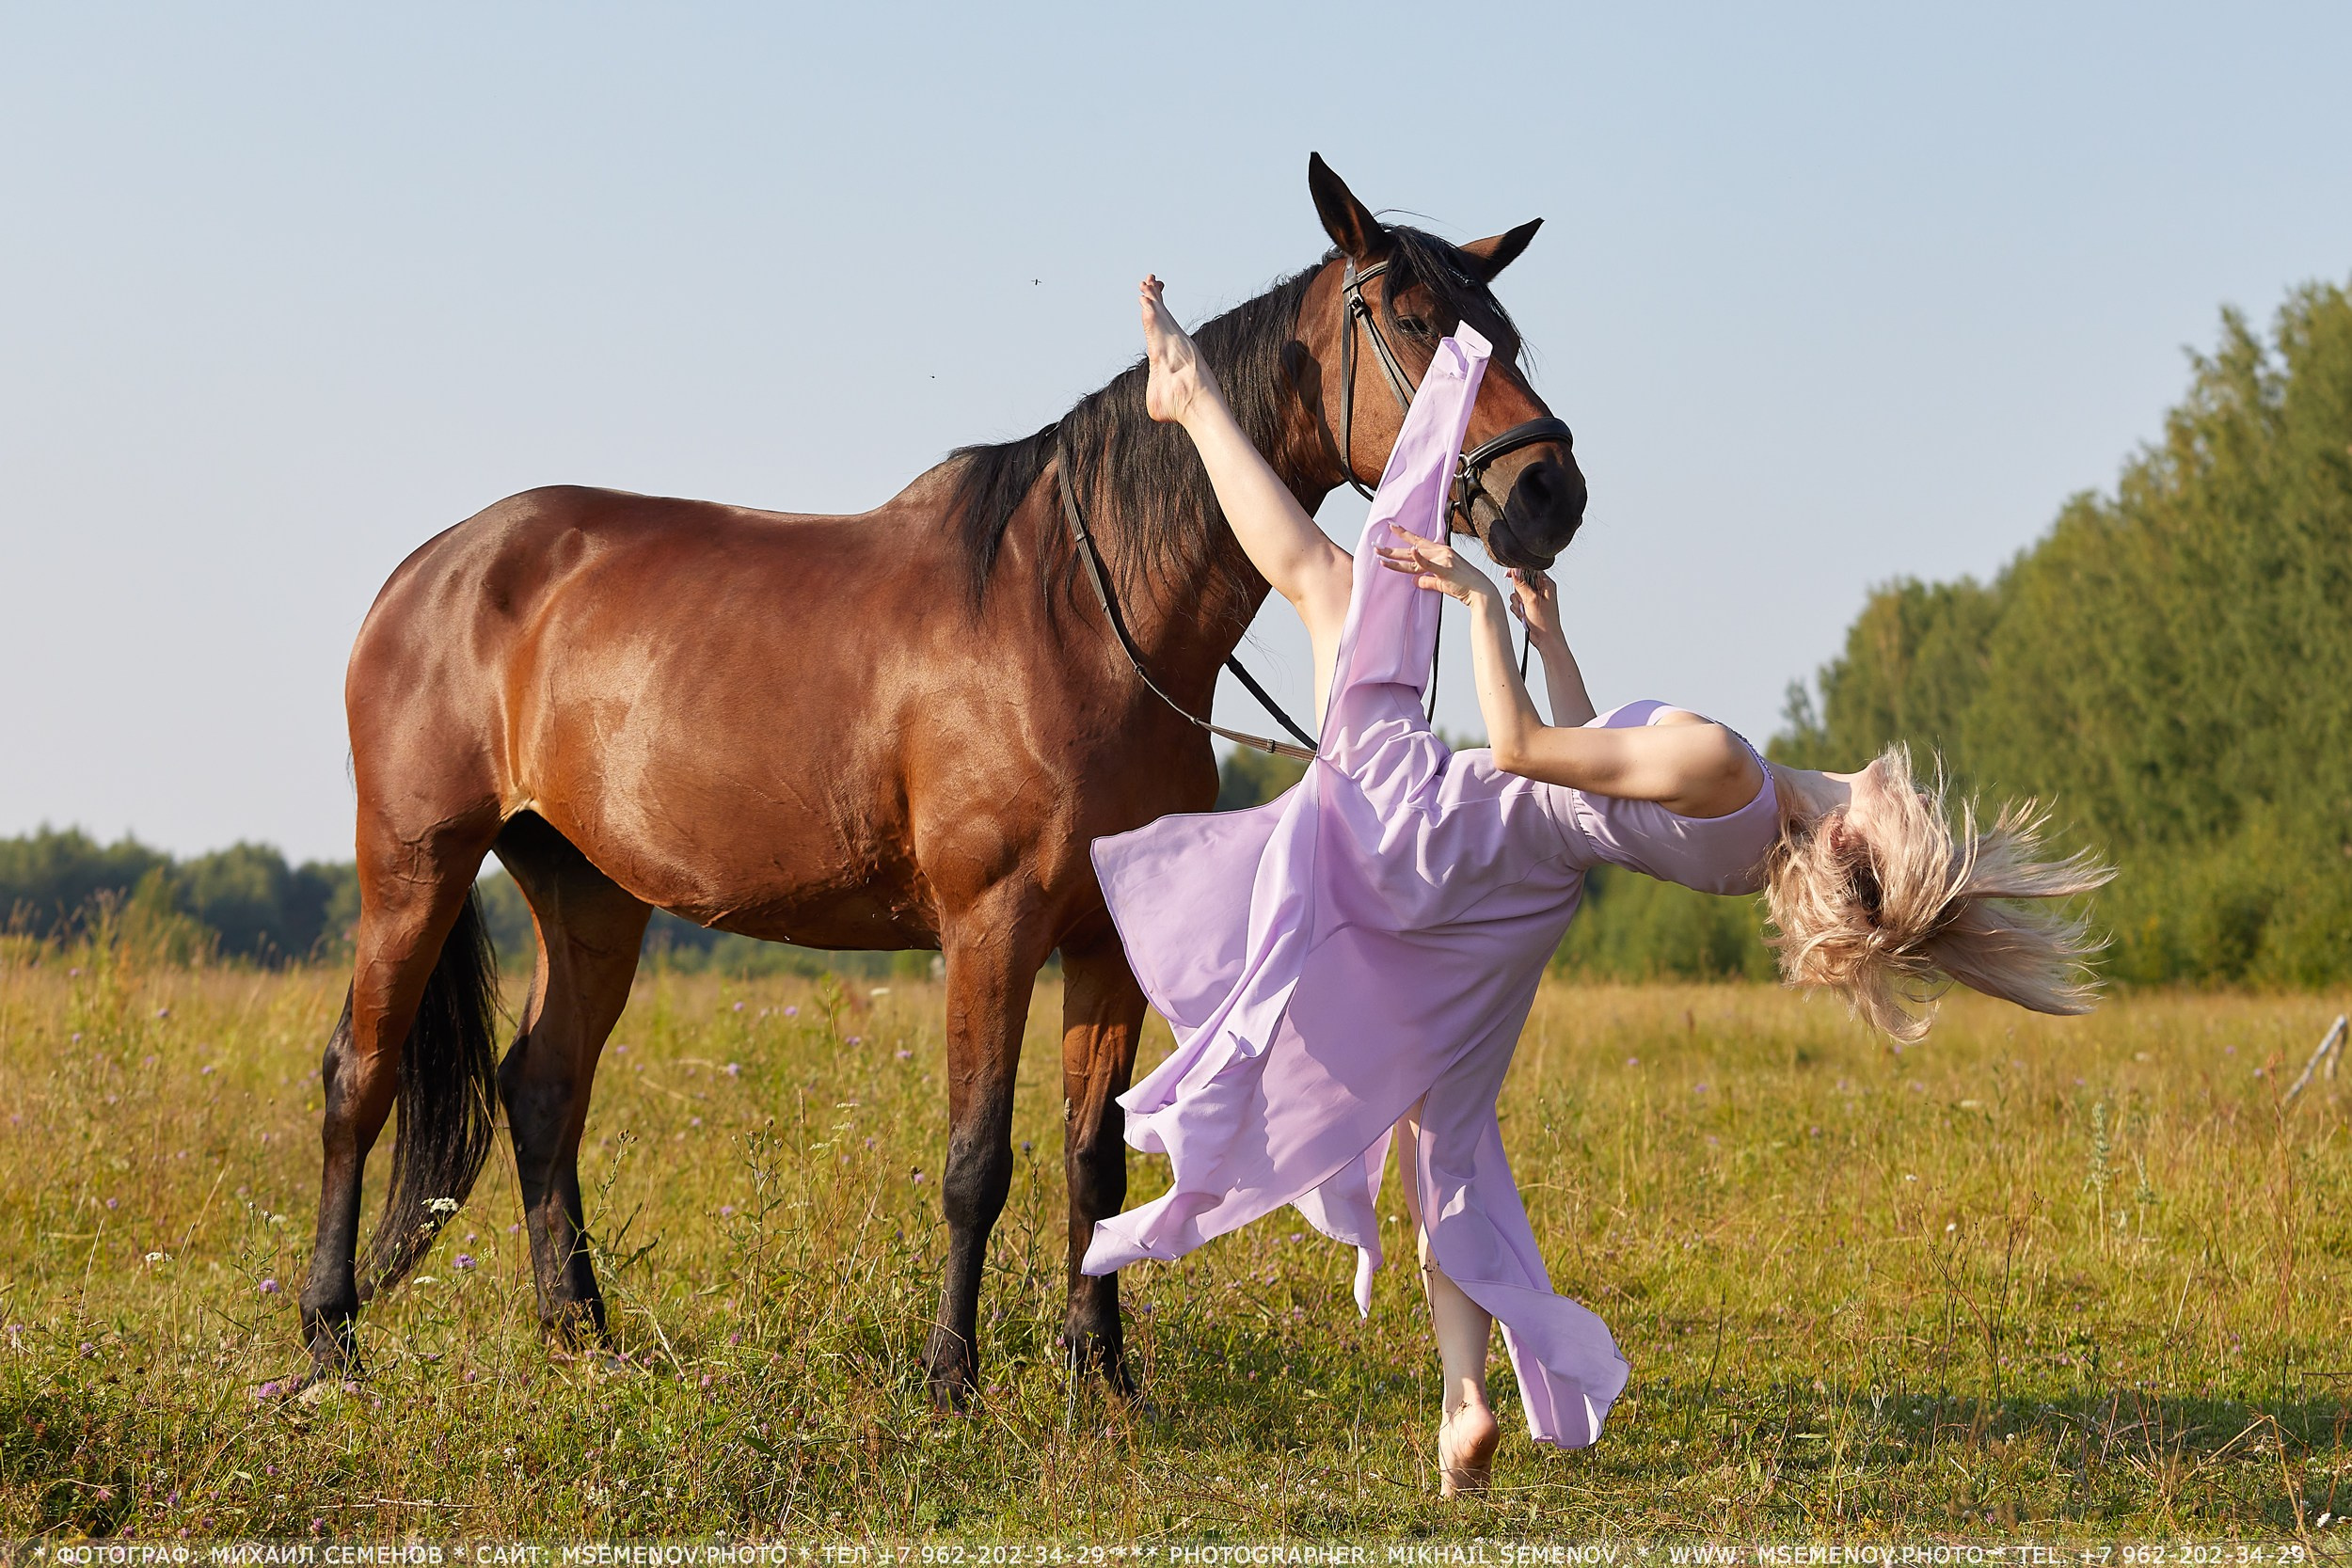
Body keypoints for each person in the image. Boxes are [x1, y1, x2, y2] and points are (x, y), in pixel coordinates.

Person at [1081, 277, 2111, 1497]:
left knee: (1329, 583)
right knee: (1445, 1138)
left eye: (1905, 821)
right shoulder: (1745, 846)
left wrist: (1471, 604)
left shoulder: (1732, 768)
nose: (1908, 788)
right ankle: (1465, 1400)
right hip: (1510, 911)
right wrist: (1549, 633)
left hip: (1461, 835)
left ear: (1855, 843)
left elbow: (1521, 754)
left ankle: (1190, 395)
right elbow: (1590, 769)